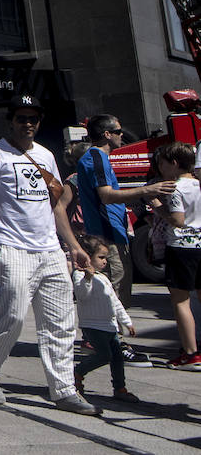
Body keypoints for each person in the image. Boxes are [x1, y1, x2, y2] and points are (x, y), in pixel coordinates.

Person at [0, 94, 99, 415]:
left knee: (61, 322)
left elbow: (55, 205)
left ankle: (64, 390)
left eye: (33, 119)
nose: (28, 124)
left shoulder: (45, 155)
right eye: (21, 118)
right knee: (12, 316)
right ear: (11, 121)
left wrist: (74, 245)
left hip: (50, 250)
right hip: (12, 247)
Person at [77, 114, 173, 331]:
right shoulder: (96, 158)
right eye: (118, 131)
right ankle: (112, 342)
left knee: (117, 292)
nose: (122, 135)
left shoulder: (99, 158)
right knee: (114, 292)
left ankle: (113, 340)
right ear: (107, 134)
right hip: (107, 236)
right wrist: (147, 189)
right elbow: (107, 195)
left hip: (112, 234)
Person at [72, 235, 139, 403]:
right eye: (101, 257)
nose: (104, 262)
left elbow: (115, 302)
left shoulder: (103, 278)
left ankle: (120, 388)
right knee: (104, 355)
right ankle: (78, 372)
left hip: (110, 326)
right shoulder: (80, 276)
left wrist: (126, 321)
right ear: (87, 256)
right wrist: (88, 277)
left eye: (105, 258)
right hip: (93, 326)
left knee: (117, 358)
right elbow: (82, 295)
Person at [154, 142, 201, 370]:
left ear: (174, 163)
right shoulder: (199, 184)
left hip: (182, 246)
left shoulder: (176, 188)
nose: (160, 168)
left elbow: (178, 220)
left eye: (162, 164)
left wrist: (158, 208)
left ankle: (190, 353)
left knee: (181, 301)